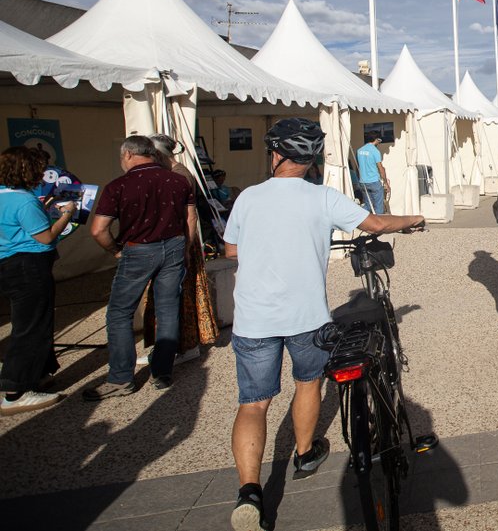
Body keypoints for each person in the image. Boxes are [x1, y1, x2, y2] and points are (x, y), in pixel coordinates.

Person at [224, 118, 425, 531]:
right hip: (305, 317)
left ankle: (249, 491)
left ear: (275, 154)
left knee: (253, 402)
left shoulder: (248, 198)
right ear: (312, 158)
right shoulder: (323, 198)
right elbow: (374, 224)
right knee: (308, 383)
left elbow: (231, 250)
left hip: (253, 317)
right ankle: (303, 453)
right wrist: (413, 219)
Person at [85, 135, 195, 400]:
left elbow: (99, 229)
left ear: (128, 155)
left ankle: (122, 378)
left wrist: (115, 251)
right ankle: (162, 372)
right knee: (168, 309)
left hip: (138, 248)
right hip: (174, 246)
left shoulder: (118, 186)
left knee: (120, 312)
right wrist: (187, 249)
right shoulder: (178, 180)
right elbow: (190, 217)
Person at [0, 147, 75, 415]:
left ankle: (38, 373)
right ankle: (14, 390)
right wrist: (68, 213)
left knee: (33, 322)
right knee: (30, 327)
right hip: (28, 266)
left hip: (8, 264)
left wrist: (41, 210)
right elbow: (44, 237)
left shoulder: (6, 196)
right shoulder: (23, 201)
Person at [140, 134, 217, 368]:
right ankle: (173, 346)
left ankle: (185, 346)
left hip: (181, 241)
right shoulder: (172, 173)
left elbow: (187, 215)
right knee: (173, 295)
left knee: (180, 295)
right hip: (178, 240)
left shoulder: (179, 174)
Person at [355, 131, 388, 213]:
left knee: (367, 205)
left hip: (363, 182)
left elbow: (357, 167)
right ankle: (379, 224)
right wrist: (386, 183)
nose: (379, 142)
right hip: (374, 182)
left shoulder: (359, 150)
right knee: (378, 207)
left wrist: (359, 179)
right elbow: (381, 168)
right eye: (379, 140)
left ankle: (358, 217)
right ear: (377, 139)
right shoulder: (375, 151)